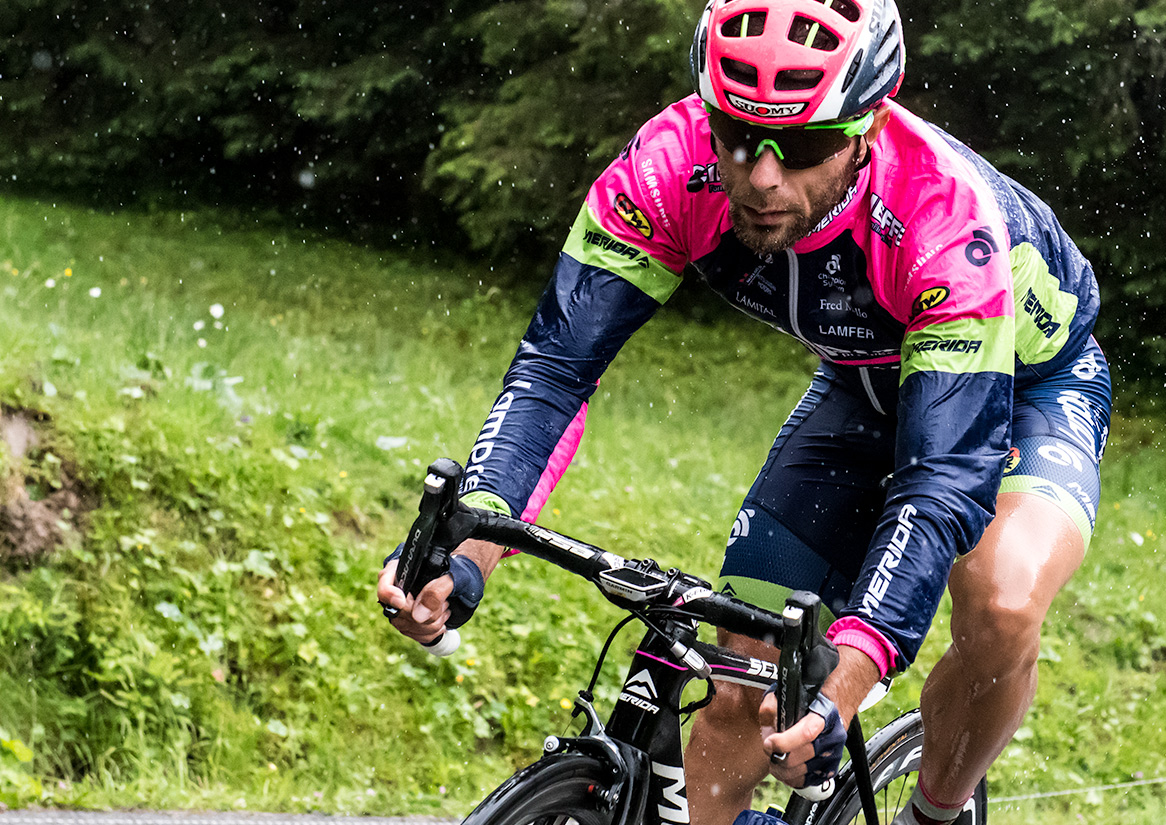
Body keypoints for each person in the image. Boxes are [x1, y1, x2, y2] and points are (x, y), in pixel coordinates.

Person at [377, 0, 1111, 822]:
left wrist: (848, 678)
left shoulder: (940, 221)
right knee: (744, 682)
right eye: (737, 135)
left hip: (1026, 393)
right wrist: (470, 540)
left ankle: (933, 812)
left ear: (867, 128)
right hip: (863, 388)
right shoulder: (668, 167)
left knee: (1000, 603)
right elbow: (555, 369)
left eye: (803, 145)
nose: (763, 176)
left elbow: (941, 481)